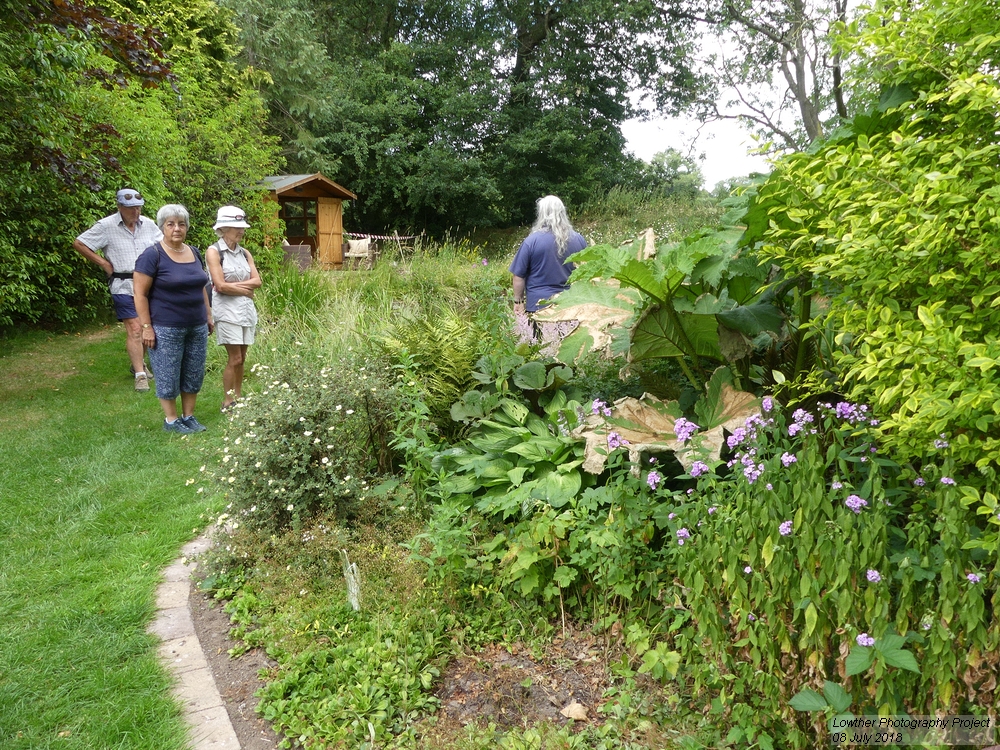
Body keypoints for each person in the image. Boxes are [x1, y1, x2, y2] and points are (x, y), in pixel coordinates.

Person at [133, 204, 214, 435]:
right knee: (168, 373)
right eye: (171, 224)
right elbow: (140, 294)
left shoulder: (194, 252)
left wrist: (208, 315)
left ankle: (188, 416)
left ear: (187, 227)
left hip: (196, 324)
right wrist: (146, 327)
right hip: (166, 326)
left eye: (181, 224)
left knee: (193, 372)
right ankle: (171, 420)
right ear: (162, 227)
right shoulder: (152, 255)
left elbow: (202, 287)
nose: (176, 228)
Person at [73, 188, 163, 391]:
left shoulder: (148, 225)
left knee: (148, 326)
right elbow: (79, 243)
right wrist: (103, 263)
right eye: (131, 208)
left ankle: (136, 364)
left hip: (149, 284)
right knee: (135, 328)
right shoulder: (106, 226)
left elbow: (164, 246)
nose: (136, 212)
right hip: (123, 284)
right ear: (120, 207)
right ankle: (140, 375)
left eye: (139, 207)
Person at [205, 205, 261, 413]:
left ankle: (239, 396)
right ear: (224, 228)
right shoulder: (214, 252)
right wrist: (245, 290)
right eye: (236, 227)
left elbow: (257, 281)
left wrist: (236, 288)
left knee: (243, 358)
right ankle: (227, 400)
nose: (241, 231)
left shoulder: (245, 253)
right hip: (227, 312)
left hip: (246, 311)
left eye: (242, 227)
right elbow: (219, 286)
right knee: (234, 358)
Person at [509, 195, 587, 335]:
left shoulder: (531, 241)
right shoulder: (579, 240)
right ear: (563, 213)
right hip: (570, 307)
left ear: (542, 214)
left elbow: (518, 276)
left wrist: (518, 302)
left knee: (539, 351)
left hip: (538, 307)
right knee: (566, 353)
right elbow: (588, 273)